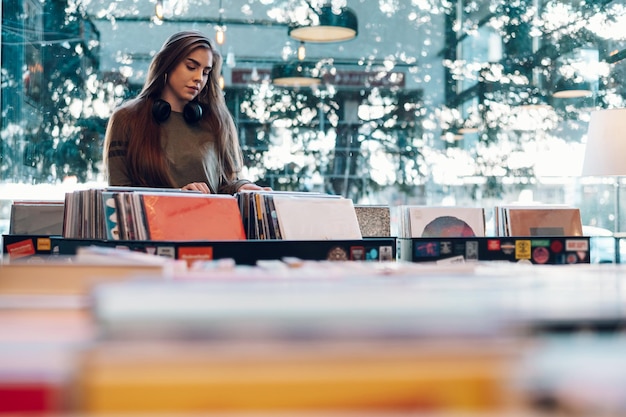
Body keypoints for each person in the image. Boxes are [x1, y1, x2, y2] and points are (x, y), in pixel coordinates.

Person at [104, 30, 268, 194]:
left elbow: (225, 183)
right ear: (167, 65)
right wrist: (178, 198)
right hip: (155, 219)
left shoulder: (216, 120)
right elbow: (120, 196)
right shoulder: (127, 118)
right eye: (191, 67)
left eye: (205, 72)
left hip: (209, 217)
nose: (199, 78)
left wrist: (241, 187)